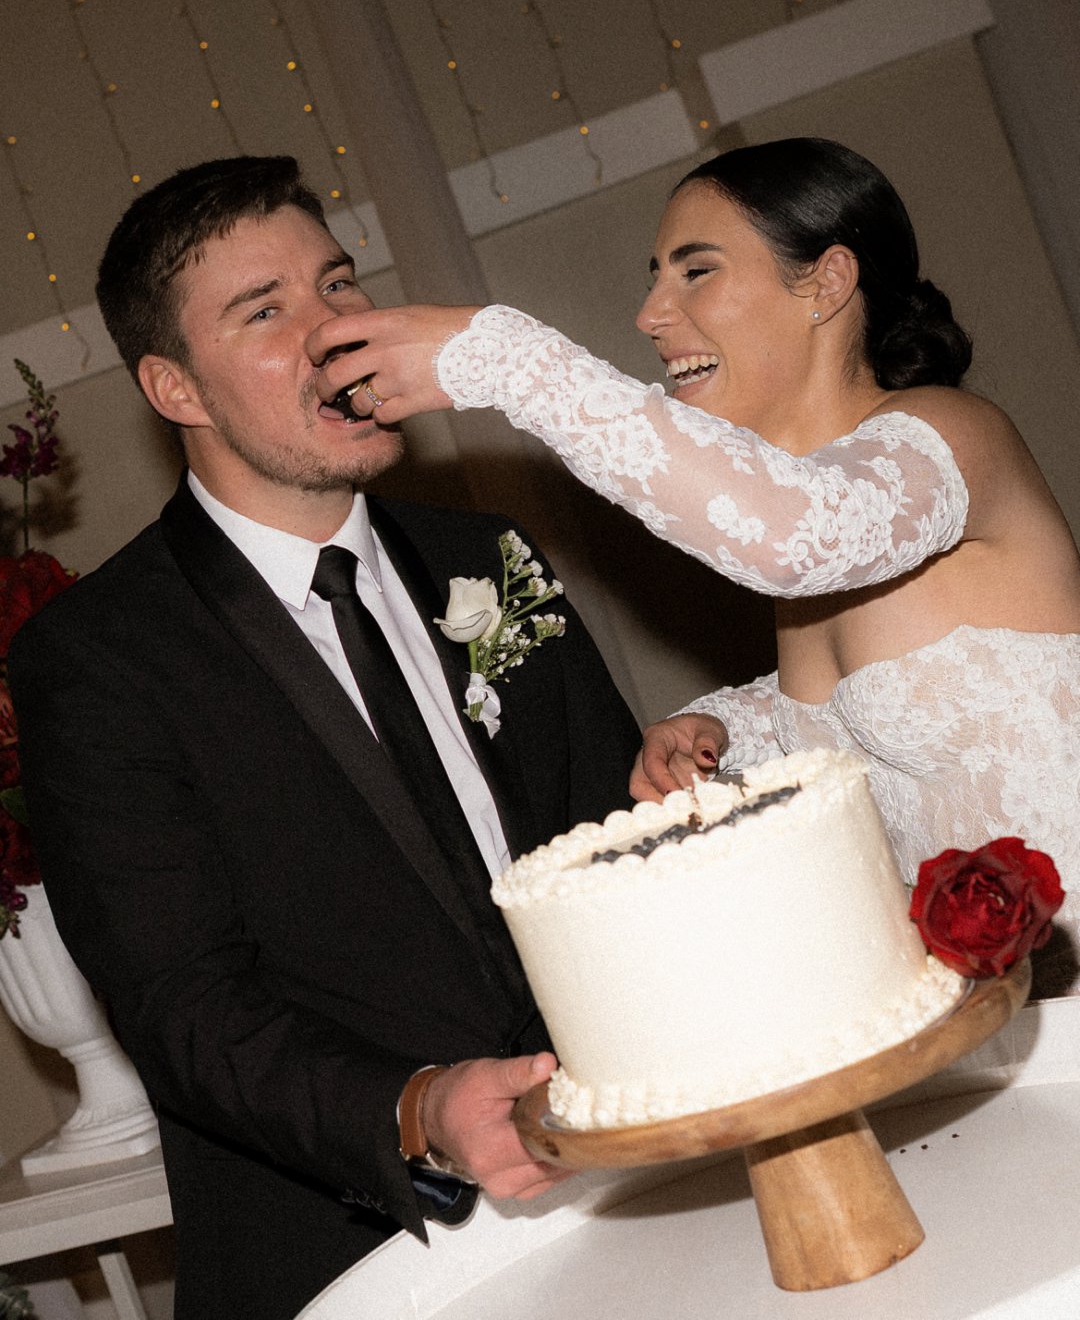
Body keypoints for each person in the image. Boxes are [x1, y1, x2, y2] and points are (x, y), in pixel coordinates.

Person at [8, 156, 641, 1320]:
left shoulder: (488, 555)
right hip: (355, 1250)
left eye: (338, 284)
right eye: (266, 309)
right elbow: (182, 1004)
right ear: (175, 385)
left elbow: (619, 837)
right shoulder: (98, 657)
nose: (333, 329)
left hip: (636, 1180)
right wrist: (417, 1107)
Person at [307, 136, 1080, 968]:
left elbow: (791, 540)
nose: (650, 315)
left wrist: (510, 361)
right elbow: (890, 696)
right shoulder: (814, 500)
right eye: (655, 277)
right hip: (993, 996)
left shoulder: (952, 435)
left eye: (696, 271)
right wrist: (727, 727)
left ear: (826, 282)